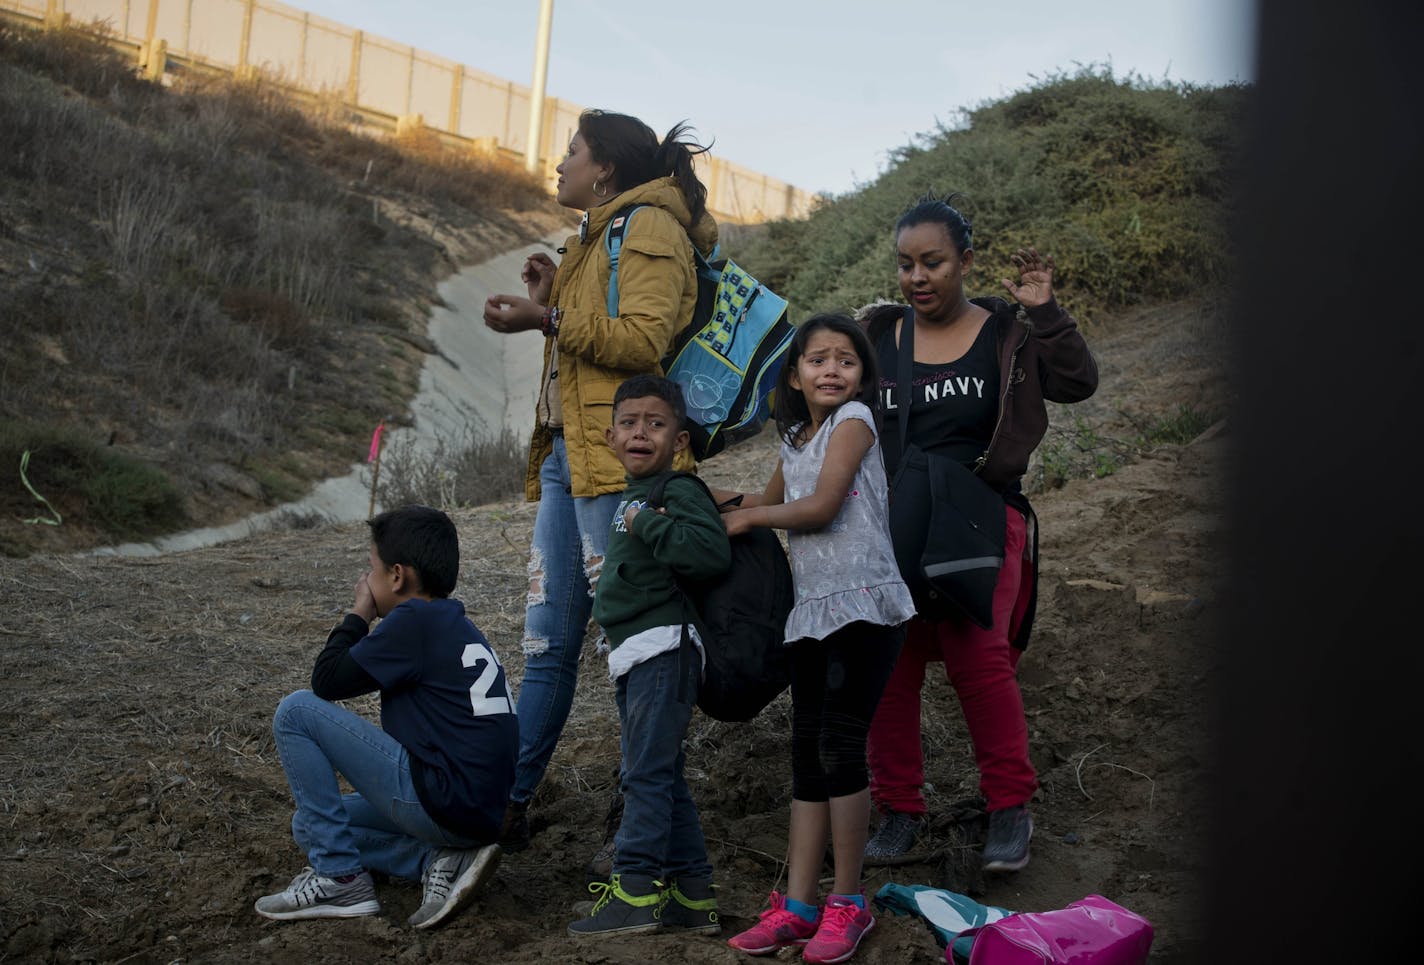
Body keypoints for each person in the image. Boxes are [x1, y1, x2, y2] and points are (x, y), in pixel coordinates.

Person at [481, 109, 716, 855]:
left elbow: (644, 341)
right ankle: (507, 807)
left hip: (624, 466)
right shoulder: (594, 236)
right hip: (569, 459)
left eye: (572, 152)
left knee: (635, 644)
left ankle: (644, 813)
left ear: (605, 168)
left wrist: (547, 319)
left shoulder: (647, 227)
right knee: (547, 641)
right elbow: (602, 328)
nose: (560, 162)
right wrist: (558, 292)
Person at [858, 193, 1098, 872]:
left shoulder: (1006, 334)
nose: (918, 277)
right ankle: (898, 809)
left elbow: (1079, 382)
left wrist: (1045, 311)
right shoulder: (878, 336)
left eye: (933, 261)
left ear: (966, 261)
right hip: (895, 526)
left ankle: (1008, 808)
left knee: (978, 659)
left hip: (982, 517)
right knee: (892, 667)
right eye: (906, 264)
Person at [713, 314, 916, 964]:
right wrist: (702, 494)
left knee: (840, 745)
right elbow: (765, 499)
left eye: (845, 359)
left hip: (863, 606)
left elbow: (821, 506)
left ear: (861, 375)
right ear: (795, 376)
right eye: (817, 359)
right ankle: (799, 905)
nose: (831, 369)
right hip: (811, 614)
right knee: (807, 754)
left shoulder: (852, 424)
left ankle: (849, 900)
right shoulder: (797, 439)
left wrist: (750, 515)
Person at [254, 506, 518, 930]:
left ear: (397, 576)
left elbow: (326, 680)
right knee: (311, 825)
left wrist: (358, 613)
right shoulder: (455, 624)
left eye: (370, 568)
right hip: (478, 813)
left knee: (296, 711)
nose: (365, 579)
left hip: (446, 800)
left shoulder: (414, 620)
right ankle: (438, 860)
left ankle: (340, 879)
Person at [566, 374, 731, 938]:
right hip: (640, 653)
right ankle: (691, 893)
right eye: (630, 424)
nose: (641, 433)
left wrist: (646, 523)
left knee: (643, 774)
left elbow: (709, 554)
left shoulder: (675, 491)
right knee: (664, 775)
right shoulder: (634, 497)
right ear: (611, 437)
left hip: (667, 649)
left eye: (656, 424)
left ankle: (635, 891)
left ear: (679, 441)